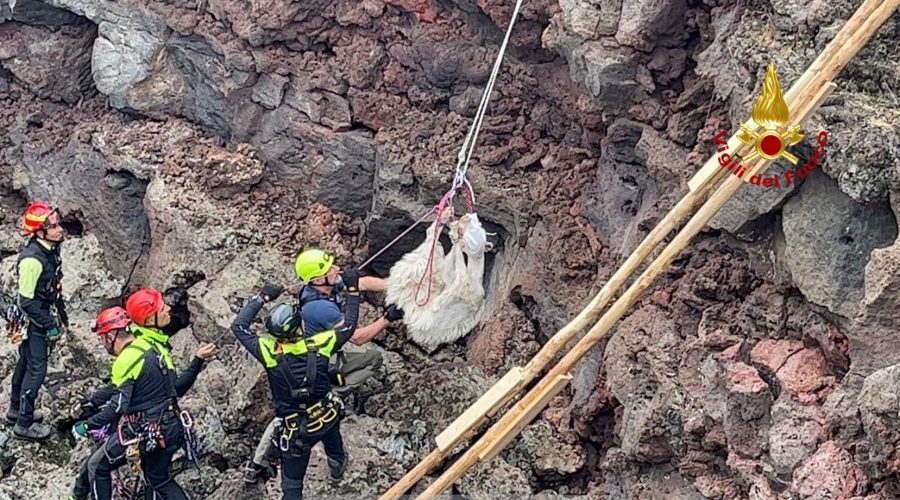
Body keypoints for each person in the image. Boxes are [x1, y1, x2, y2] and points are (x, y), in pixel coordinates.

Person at [241, 249, 404, 484]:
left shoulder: (320, 286)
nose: (336, 268)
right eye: (329, 268)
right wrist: (387, 318)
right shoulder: (320, 308)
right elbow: (354, 335)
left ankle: (264, 465)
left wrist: (394, 284)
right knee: (372, 360)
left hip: (310, 360)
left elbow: (363, 281)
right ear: (318, 279)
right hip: (321, 358)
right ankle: (335, 393)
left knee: (288, 415)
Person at [231, 278, 374, 499]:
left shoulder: (269, 352)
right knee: (332, 437)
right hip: (326, 415)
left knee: (292, 485)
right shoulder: (321, 344)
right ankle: (336, 467)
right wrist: (353, 290)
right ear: (300, 327)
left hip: (295, 429)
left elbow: (239, 326)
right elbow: (349, 326)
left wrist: (262, 297)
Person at [71, 290, 215, 500]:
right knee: (157, 479)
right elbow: (128, 385)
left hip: (147, 428)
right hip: (170, 424)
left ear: (111, 336)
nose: (168, 309)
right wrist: (94, 400)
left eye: (102, 339)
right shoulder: (152, 345)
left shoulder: (128, 357)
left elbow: (118, 405)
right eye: (162, 306)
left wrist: (87, 425)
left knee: (98, 465)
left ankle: (79, 494)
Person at [9, 201, 68, 441]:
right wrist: (49, 324)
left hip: (39, 312)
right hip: (33, 318)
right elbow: (27, 301)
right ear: (40, 232)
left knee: (25, 362)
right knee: (37, 369)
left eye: (57, 224)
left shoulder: (49, 250)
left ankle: (16, 410)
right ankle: (24, 423)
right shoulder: (32, 260)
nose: (59, 229)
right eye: (52, 226)